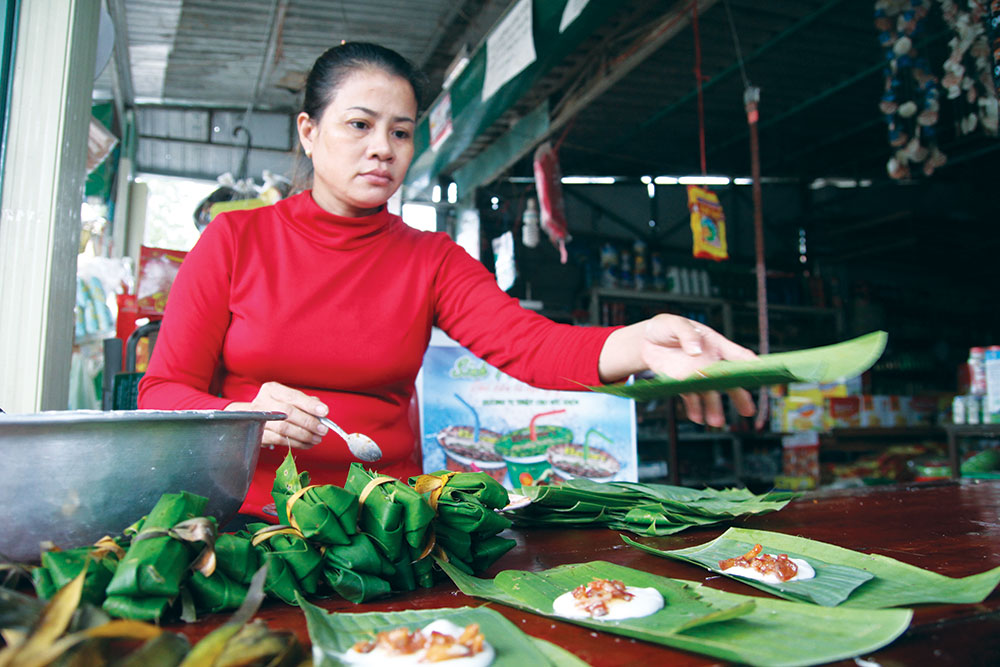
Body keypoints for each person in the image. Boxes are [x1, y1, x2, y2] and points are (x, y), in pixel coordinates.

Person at [138, 42, 756, 520]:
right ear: (308, 130)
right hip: (252, 523)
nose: (383, 148)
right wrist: (240, 415)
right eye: (359, 125)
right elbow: (162, 392)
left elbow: (531, 344)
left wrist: (645, 344)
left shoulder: (429, 258)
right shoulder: (235, 241)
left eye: (401, 132)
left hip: (386, 525)